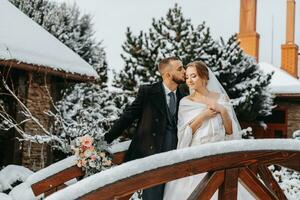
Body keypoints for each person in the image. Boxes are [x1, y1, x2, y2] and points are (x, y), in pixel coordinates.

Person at [163, 61, 254, 200]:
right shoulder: (186, 102)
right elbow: (183, 134)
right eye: (187, 77)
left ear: (204, 77)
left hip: (220, 157)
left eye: (193, 76)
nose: (189, 80)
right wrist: (203, 115)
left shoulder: (221, 98)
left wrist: (222, 110)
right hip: (196, 159)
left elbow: (230, 132)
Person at [104, 56, 187, 200]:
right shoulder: (148, 92)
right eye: (180, 68)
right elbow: (128, 116)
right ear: (168, 74)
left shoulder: (185, 97)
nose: (185, 71)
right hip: (152, 155)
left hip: (177, 155)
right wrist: (107, 138)